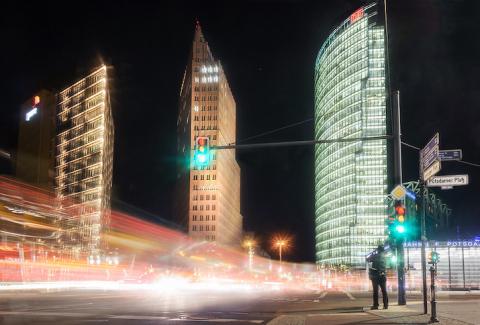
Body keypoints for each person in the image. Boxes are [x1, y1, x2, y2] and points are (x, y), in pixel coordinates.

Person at [367, 245, 388, 310]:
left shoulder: (375, 255)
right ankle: (385, 305)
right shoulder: (385, 256)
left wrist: (373, 252)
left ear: (378, 250)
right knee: (384, 291)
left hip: (375, 276)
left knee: (375, 291)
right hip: (383, 275)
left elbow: (367, 259)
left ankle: (376, 305)